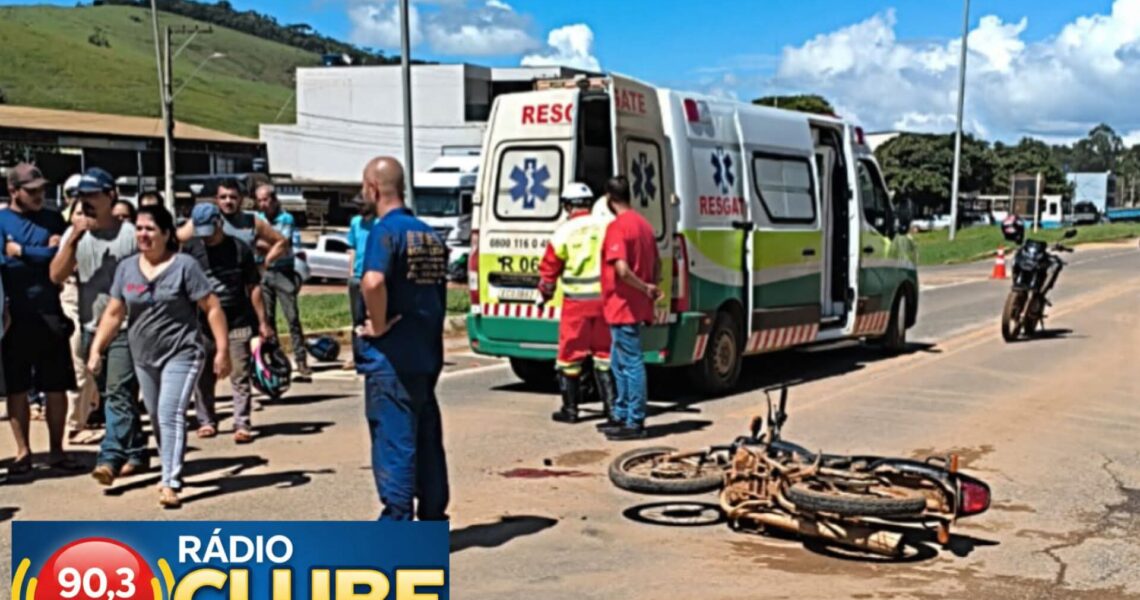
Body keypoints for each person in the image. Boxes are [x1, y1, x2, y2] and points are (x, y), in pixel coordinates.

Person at [88, 204, 230, 508]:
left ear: (166, 234)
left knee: (170, 413)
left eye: (149, 229)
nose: (142, 234)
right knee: (156, 418)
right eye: (139, 228)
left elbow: (212, 307)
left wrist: (222, 349)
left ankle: (170, 481)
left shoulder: (185, 266)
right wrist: (96, 348)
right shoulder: (127, 268)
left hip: (182, 351)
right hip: (144, 356)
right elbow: (114, 313)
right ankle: (171, 463)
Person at [355, 156, 449, 521]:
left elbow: (373, 281)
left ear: (373, 188)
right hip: (426, 355)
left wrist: (377, 325)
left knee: (394, 445)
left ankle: (396, 529)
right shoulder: (429, 234)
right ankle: (433, 523)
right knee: (426, 444)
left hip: (391, 360)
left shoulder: (385, 231)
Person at [51, 167, 147, 484]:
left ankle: (109, 457)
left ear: (111, 196)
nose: (86, 201)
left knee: (118, 392)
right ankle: (136, 449)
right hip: (90, 326)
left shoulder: (133, 235)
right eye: (82, 196)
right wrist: (75, 237)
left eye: (93, 195)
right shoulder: (76, 235)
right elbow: (56, 275)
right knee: (110, 393)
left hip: (127, 327)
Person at [0, 163, 80, 474]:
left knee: (56, 384)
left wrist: (22, 252)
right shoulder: (2, 220)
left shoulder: (51, 218)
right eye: (31, 191)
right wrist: (34, 252)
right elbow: (3, 261)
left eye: (42, 190)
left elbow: (59, 258)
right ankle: (23, 452)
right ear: (13, 190)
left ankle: (57, 450)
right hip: (14, 314)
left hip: (49, 310)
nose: (39, 196)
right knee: (17, 387)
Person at [183, 203, 271, 443]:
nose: (207, 238)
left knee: (240, 372)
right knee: (203, 374)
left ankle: (242, 422)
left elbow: (253, 287)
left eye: (210, 232)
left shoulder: (239, 249)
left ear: (220, 223)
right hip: (202, 322)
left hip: (237, 319)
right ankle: (206, 420)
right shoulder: (191, 250)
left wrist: (263, 321)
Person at [538, 183, 616, 424]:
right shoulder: (606, 226)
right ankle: (612, 409)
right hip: (605, 301)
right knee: (605, 355)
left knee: (570, 356)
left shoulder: (563, 232)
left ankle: (571, 410)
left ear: (567, 206)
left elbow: (549, 269)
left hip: (576, 304)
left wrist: (544, 295)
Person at [600, 176, 661, 441]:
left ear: (609, 199)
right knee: (618, 362)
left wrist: (643, 287)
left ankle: (634, 420)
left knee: (631, 364)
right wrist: (650, 288)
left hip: (623, 305)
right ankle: (622, 414)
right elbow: (657, 264)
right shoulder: (645, 226)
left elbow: (622, 270)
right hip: (633, 306)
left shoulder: (618, 227)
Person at [59, 176, 104, 444]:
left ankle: (90, 413)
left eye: (88, 211)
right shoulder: (70, 236)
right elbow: (58, 272)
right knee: (79, 363)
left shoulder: (109, 234)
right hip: (74, 300)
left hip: (102, 303)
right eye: (78, 212)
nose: (83, 217)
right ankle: (74, 425)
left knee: (96, 365)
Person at [254, 184, 310, 382]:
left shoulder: (286, 218)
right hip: (263, 272)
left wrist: (267, 246)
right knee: (267, 320)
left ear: (274, 199)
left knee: (292, 317)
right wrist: (271, 245)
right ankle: (276, 359)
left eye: (266, 199)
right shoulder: (257, 219)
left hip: (283, 271)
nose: (263, 204)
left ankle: (301, 360)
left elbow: (283, 245)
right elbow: (256, 242)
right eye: (259, 200)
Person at [344, 193, 376, 371]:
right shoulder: (355, 222)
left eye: (363, 206)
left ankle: (373, 353)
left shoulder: (379, 223)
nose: (360, 210)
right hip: (357, 275)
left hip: (372, 276)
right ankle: (358, 356)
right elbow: (353, 248)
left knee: (373, 316)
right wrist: (351, 272)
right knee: (357, 319)